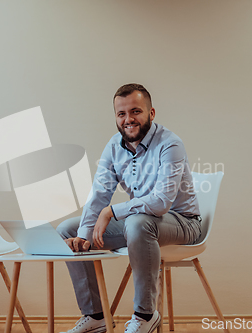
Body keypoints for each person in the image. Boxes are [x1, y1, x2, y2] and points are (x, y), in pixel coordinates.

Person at [57, 83, 201, 333]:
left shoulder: (170, 144)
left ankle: (145, 315)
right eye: (121, 114)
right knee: (68, 229)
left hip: (182, 222)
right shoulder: (114, 146)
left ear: (151, 113)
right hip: (143, 222)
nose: (128, 119)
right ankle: (96, 315)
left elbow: (161, 201)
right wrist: (83, 235)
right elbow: (99, 194)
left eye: (136, 111)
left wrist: (112, 212)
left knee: (137, 223)